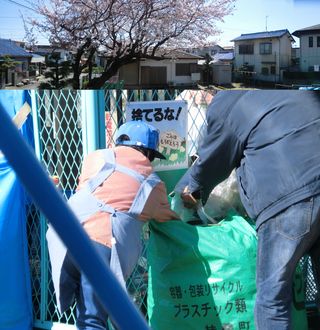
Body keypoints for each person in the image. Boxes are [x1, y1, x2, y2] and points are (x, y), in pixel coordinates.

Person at [178, 90, 320, 330]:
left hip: (289, 197)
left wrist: (191, 188)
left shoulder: (228, 104)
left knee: (272, 296)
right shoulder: (297, 96)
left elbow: (214, 159)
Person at [47, 120, 179, 330]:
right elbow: (166, 216)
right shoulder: (153, 183)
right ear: (148, 152)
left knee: (100, 308)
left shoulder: (95, 158)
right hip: (101, 243)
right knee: (93, 318)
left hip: (65, 234)